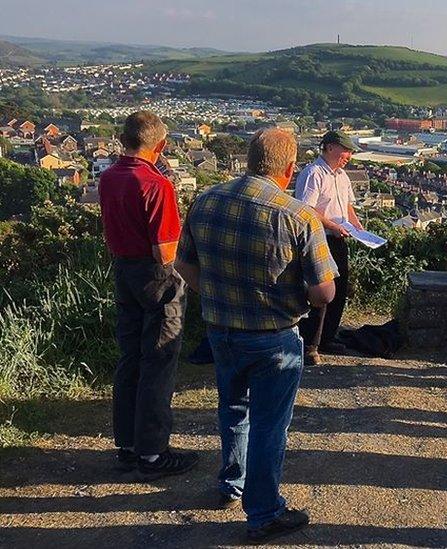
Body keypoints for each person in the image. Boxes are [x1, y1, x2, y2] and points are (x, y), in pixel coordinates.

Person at [175, 128, 338, 544]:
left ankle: (231, 484)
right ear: (288, 168)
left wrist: (213, 296)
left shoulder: (207, 200)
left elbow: (184, 264)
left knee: (232, 407)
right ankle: (263, 512)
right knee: (270, 424)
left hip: (221, 329)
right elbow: (324, 293)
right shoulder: (298, 215)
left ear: (249, 159)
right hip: (274, 336)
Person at [98, 110, 198, 480]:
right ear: (161, 145)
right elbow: (166, 252)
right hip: (156, 276)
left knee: (131, 359)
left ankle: (126, 445)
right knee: (158, 361)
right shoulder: (157, 184)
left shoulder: (109, 177)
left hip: (123, 269)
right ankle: (153, 454)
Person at [293, 130, 364, 365]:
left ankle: (328, 337)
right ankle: (310, 343)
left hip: (339, 238)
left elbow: (347, 206)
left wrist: (357, 226)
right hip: (320, 238)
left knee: (340, 288)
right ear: (330, 148)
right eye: (346, 151)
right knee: (320, 291)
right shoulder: (313, 174)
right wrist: (334, 225)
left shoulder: (342, 176)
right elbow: (307, 210)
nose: (349, 156)